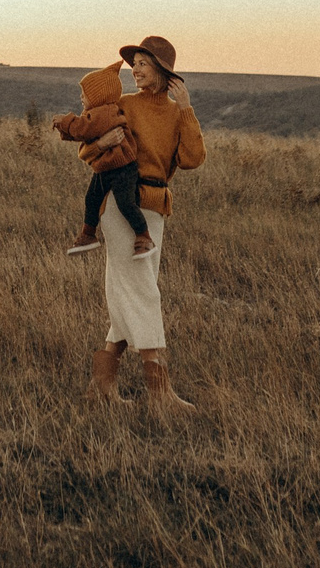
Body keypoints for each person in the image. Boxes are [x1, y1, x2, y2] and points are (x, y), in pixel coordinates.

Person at [82, 36, 206, 414]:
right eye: (133, 63)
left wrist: (186, 109)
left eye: (142, 64)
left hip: (154, 207)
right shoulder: (124, 105)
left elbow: (192, 158)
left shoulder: (174, 112)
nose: (134, 70)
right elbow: (87, 150)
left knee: (131, 292)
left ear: (163, 72)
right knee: (143, 292)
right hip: (121, 207)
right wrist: (103, 140)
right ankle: (160, 394)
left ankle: (101, 389)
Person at [53, 66, 153, 256]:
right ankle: (88, 234)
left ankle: (144, 236)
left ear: (99, 96)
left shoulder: (105, 113)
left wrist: (64, 121)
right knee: (92, 198)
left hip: (123, 168)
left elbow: (84, 130)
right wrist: (65, 130)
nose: (81, 98)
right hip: (106, 168)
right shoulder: (95, 115)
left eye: (85, 94)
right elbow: (83, 133)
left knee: (126, 202)